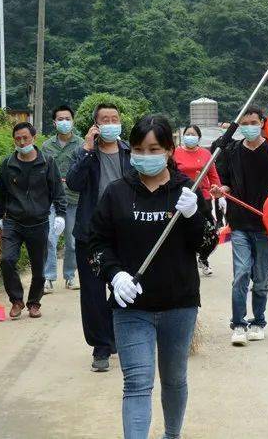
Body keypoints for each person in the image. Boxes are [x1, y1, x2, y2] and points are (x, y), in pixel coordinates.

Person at [86, 114, 205, 439]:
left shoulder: (186, 193)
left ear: (169, 150)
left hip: (178, 305)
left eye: (154, 149)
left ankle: (172, 435)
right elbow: (96, 243)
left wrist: (195, 216)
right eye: (139, 149)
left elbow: (205, 244)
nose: (145, 156)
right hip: (131, 308)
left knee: (174, 379)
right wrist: (114, 274)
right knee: (137, 383)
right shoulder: (117, 193)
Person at [66, 102, 130, 372]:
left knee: (123, 287)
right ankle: (101, 347)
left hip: (125, 232)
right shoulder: (86, 154)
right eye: (104, 119)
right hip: (91, 233)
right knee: (92, 292)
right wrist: (87, 150)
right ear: (95, 125)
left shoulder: (130, 152)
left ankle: (120, 338)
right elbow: (73, 183)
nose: (110, 122)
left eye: (114, 118)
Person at [212, 107, 268, 346]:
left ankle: (258, 322)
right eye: (245, 123)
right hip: (239, 222)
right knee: (241, 274)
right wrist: (222, 190)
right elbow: (227, 182)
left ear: (262, 123)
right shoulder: (232, 151)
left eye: (253, 122)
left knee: (261, 278)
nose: (249, 126)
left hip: (265, 225)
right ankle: (238, 324)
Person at [0, 122, 66, 319]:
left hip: (39, 222)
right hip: (13, 221)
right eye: (17, 138)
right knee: (7, 260)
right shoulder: (8, 164)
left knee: (39, 268)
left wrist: (60, 215)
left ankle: (34, 303)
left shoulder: (47, 163)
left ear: (33, 138)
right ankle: (16, 300)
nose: (22, 142)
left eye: (25, 138)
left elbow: (58, 191)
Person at [40, 105, 84, 292]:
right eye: (60, 119)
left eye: (67, 118)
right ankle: (48, 277)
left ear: (72, 121)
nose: (64, 122)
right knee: (49, 238)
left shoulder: (82, 144)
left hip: (74, 199)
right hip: (51, 199)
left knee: (72, 241)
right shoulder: (46, 146)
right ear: (54, 122)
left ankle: (70, 276)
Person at [173, 125, 221, 276]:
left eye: (193, 134)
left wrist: (219, 191)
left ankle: (204, 257)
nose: (190, 136)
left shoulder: (206, 153)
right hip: (181, 197)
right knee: (182, 230)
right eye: (187, 134)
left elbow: (213, 174)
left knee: (209, 230)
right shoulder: (175, 153)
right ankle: (184, 260)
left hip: (203, 197)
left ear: (199, 138)